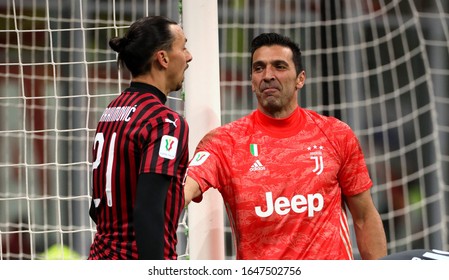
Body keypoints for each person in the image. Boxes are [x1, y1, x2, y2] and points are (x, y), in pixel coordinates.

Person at [184, 32, 387, 260]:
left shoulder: (336, 134)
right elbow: (182, 190)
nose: (268, 75)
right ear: (252, 80)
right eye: (259, 68)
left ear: (300, 79)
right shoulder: (225, 142)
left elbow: (364, 217)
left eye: (279, 66)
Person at [88, 16, 192, 260]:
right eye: (183, 47)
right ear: (163, 58)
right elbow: (148, 210)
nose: (189, 56)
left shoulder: (111, 111)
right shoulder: (164, 121)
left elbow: (97, 208)